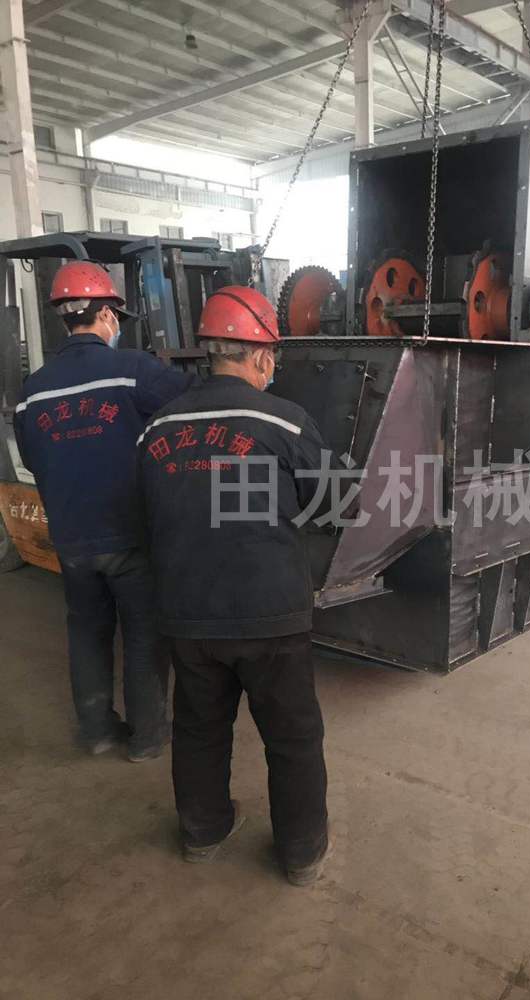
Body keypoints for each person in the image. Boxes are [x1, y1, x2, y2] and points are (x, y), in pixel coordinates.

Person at [137, 285, 330, 885]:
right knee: (293, 737)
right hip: (271, 615)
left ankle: (203, 832)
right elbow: (330, 506)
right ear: (262, 356)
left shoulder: (156, 429)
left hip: (187, 613)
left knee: (199, 729)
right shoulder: (286, 422)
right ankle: (300, 854)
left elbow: (145, 512)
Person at [13, 261, 192, 761]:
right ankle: (148, 737)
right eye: (115, 315)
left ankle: (96, 732)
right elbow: (192, 407)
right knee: (143, 634)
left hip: (71, 538)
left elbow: (34, 460)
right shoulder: (133, 370)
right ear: (108, 315)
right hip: (129, 534)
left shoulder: (32, 391)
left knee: (87, 633)